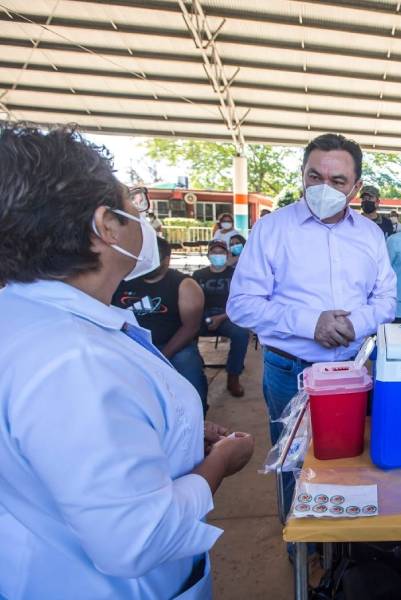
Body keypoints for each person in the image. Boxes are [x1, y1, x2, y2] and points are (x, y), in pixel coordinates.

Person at [0, 124, 254, 599]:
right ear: (105, 226)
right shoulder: (71, 359)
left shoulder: (29, 318)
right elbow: (138, 538)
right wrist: (219, 463)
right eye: (134, 210)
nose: (145, 223)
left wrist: (170, 434)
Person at [227, 133, 396, 518]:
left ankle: (340, 549)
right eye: (314, 176)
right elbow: (241, 305)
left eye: (337, 181)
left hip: (353, 371)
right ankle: (300, 549)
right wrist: (310, 324)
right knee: (292, 464)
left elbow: (386, 300)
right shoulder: (272, 230)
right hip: (290, 370)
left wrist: (355, 324)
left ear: (355, 187)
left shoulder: (370, 235)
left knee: (352, 461)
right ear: (302, 175)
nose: (324, 188)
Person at [113, 237, 209, 412]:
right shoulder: (123, 281)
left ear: (167, 259)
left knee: (188, 367)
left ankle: (199, 418)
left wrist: (160, 356)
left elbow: (190, 327)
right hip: (130, 345)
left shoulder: (185, 285)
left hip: (172, 346)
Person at [192, 241, 249, 398]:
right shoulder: (198, 275)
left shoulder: (235, 274)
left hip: (227, 315)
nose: (218, 255)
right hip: (202, 314)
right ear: (208, 256)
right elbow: (192, 300)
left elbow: (242, 301)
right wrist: (202, 318)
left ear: (227, 255)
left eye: (221, 252)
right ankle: (195, 368)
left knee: (241, 334)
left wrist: (221, 317)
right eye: (214, 252)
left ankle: (233, 376)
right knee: (186, 332)